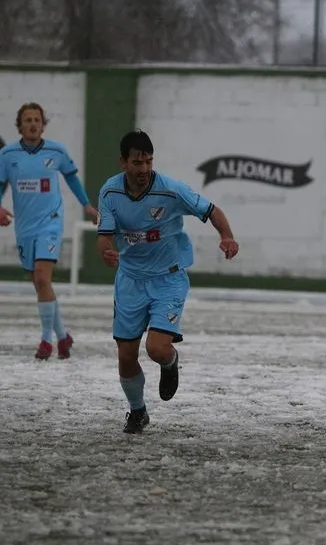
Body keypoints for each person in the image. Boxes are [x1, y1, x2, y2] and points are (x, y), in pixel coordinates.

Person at [96, 130, 239, 434]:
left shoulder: (172, 190)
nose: (144, 169)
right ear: (123, 162)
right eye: (137, 162)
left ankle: (170, 362)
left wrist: (226, 236)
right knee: (125, 356)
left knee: (157, 349)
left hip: (168, 278)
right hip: (130, 280)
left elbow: (212, 211)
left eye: (148, 161)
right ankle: (138, 411)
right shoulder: (110, 193)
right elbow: (104, 238)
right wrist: (107, 253)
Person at [0, 103, 98, 360]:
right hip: (24, 227)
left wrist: (87, 205)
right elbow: (1, 186)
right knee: (40, 283)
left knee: (43, 278)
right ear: (19, 125)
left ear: (43, 124)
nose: (33, 124)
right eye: (28, 120)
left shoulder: (57, 151)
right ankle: (63, 336)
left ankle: (46, 340)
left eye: (37, 120)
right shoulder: (8, 155)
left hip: (50, 222)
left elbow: (72, 178)